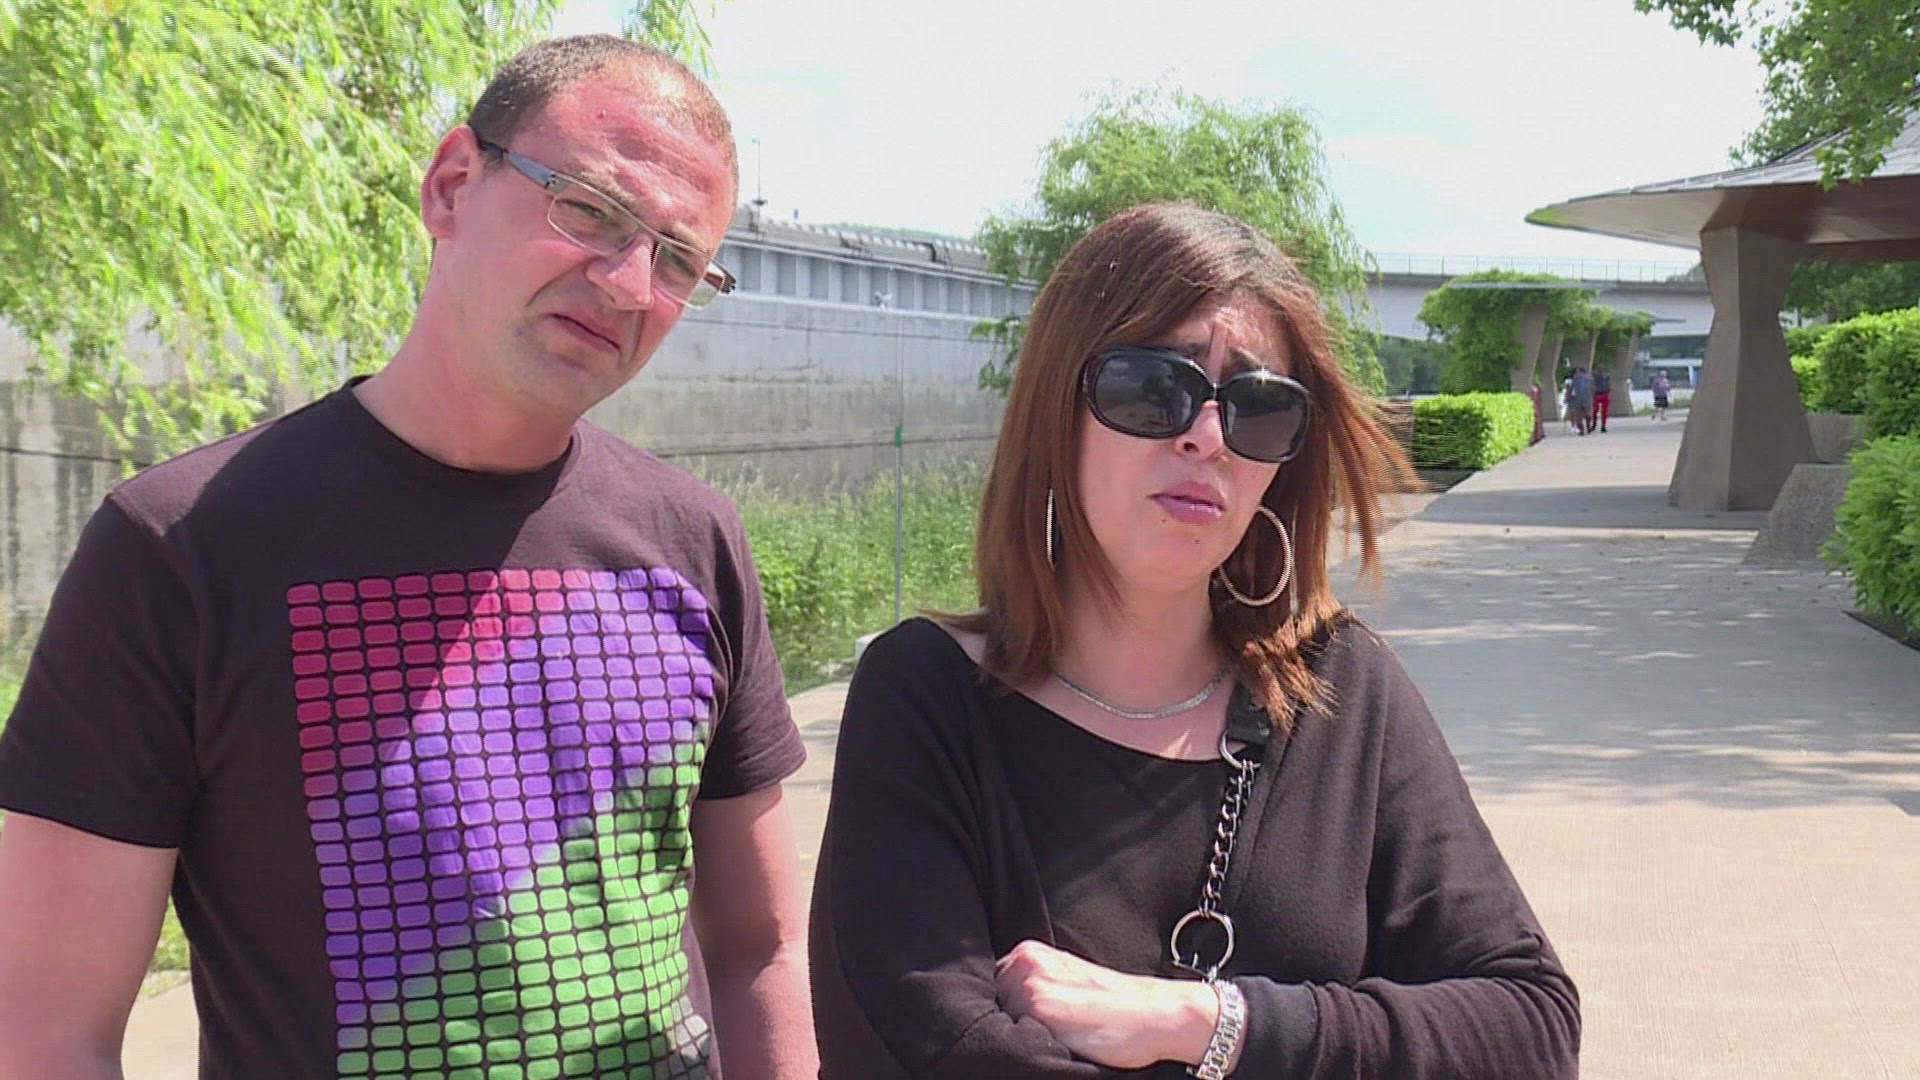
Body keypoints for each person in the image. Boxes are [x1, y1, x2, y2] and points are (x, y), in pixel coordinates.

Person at [0, 35, 818, 1080]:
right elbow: (48, 1032)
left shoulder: (692, 541)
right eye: (590, 210)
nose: (625, 283)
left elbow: (762, 950)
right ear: (451, 186)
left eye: (677, 260)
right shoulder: (179, 548)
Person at [809, 203, 1579, 1077]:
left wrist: (1211, 1022)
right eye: (1153, 388)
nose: (1206, 438)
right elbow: (932, 1052)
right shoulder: (924, 698)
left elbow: (1530, 1029)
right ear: (1058, 408)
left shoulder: (1344, 692)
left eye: (1260, 408)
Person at [1568, 366, 1596, 436]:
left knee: (1588, 415)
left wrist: (1593, 397)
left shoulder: (1590, 379)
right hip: (1578, 399)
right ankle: (1581, 430)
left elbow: (1593, 388)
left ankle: (1588, 426)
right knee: (1578, 416)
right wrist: (1568, 398)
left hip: (1588, 399)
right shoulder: (1575, 379)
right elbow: (1571, 389)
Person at [1591, 366, 1613, 433]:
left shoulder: (1607, 376)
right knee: (1596, 411)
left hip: (1604, 394)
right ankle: (1595, 425)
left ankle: (1602, 426)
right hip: (1598, 394)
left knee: (1604, 412)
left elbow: (1609, 386)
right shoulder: (1594, 376)